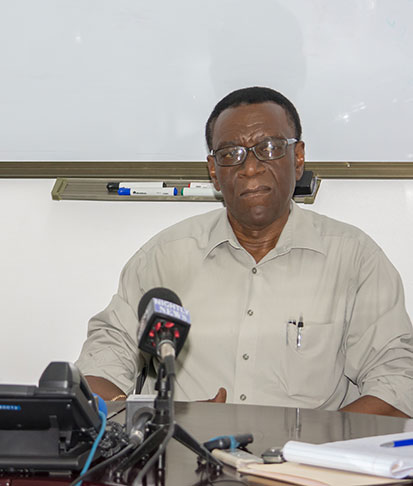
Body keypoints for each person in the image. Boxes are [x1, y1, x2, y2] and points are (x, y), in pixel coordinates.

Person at [76, 87, 413, 417]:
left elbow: (398, 382)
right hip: (180, 460)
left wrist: (314, 451)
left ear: (298, 158)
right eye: (230, 154)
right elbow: (102, 363)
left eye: (269, 148)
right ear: (214, 172)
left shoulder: (354, 259)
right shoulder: (165, 258)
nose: (250, 168)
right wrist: (160, 420)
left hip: (306, 468)